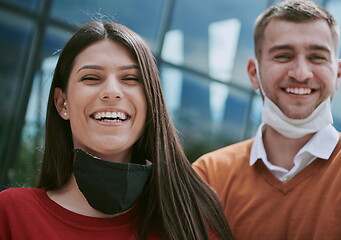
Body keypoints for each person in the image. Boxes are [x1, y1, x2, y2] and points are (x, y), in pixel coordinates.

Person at [0, 21, 233, 240]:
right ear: (63, 103)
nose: (112, 92)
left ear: (150, 102)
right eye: (91, 77)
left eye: (130, 78)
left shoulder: (192, 217)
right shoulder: (11, 214)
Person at [193, 0, 341, 239]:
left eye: (317, 57)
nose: (301, 73)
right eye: (283, 56)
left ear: (338, 74)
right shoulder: (209, 174)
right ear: (254, 73)